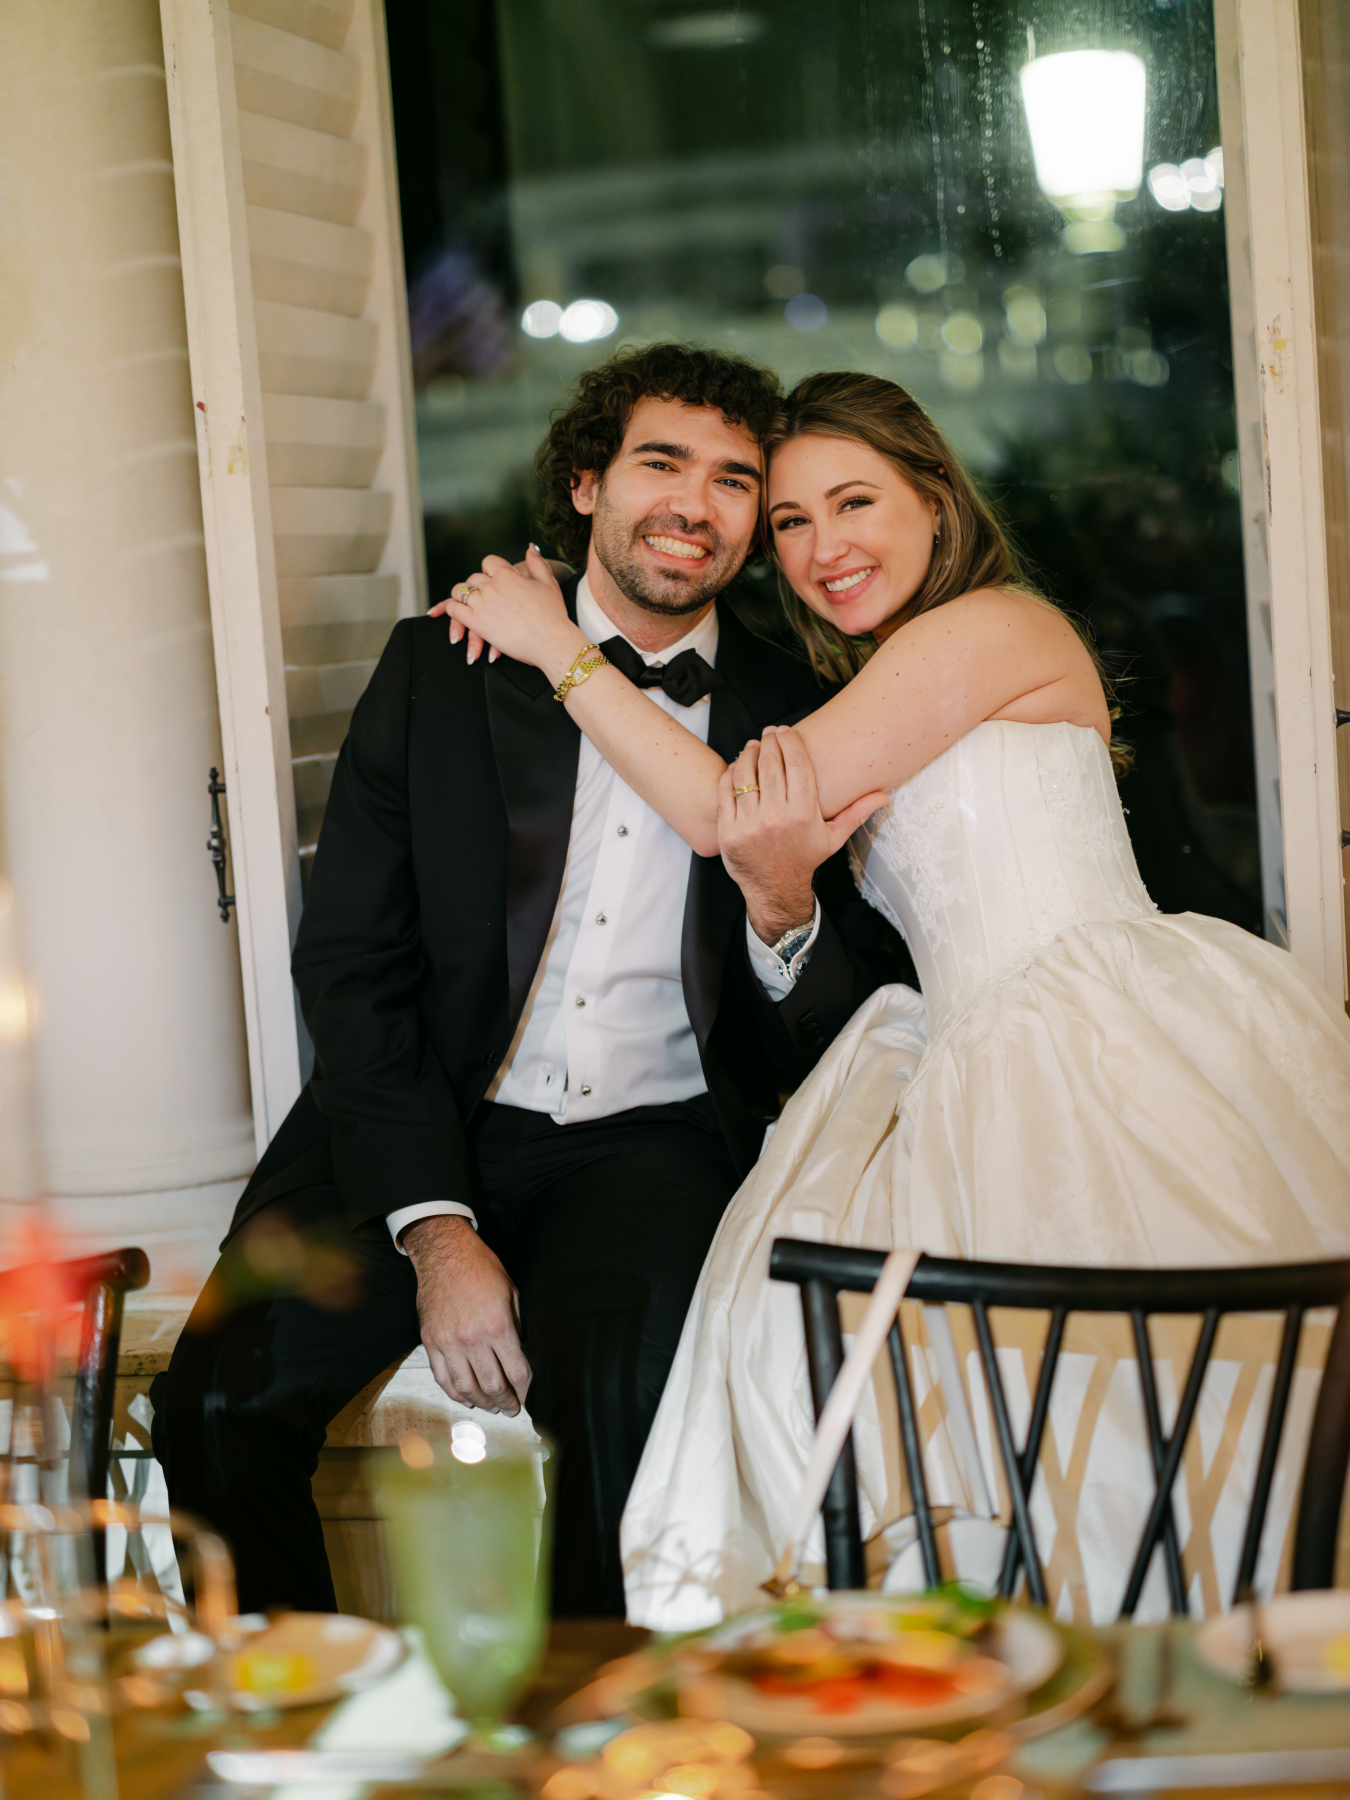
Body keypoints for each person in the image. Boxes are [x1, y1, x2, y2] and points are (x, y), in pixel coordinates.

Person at [440, 369, 1350, 1626]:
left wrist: (559, 647)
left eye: (855, 501)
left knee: (1145, 1385)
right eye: (797, 522)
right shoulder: (876, 682)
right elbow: (777, 859)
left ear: (935, 495)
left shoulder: (995, 628)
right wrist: (777, 892)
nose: (824, 547)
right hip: (968, 1047)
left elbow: (725, 815)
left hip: (1093, 1032)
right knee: (956, 1400)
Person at [150, 346, 915, 1619]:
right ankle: (312, 1728)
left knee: (623, 1406)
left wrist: (783, 913)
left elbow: (836, 1035)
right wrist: (438, 1228)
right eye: (660, 464)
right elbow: (352, 963)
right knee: (216, 1402)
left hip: (655, 1143)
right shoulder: (440, 670)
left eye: (736, 481)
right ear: (583, 484)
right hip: (416, 1119)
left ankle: (581, 1744)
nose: (696, 504)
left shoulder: (804, 710)